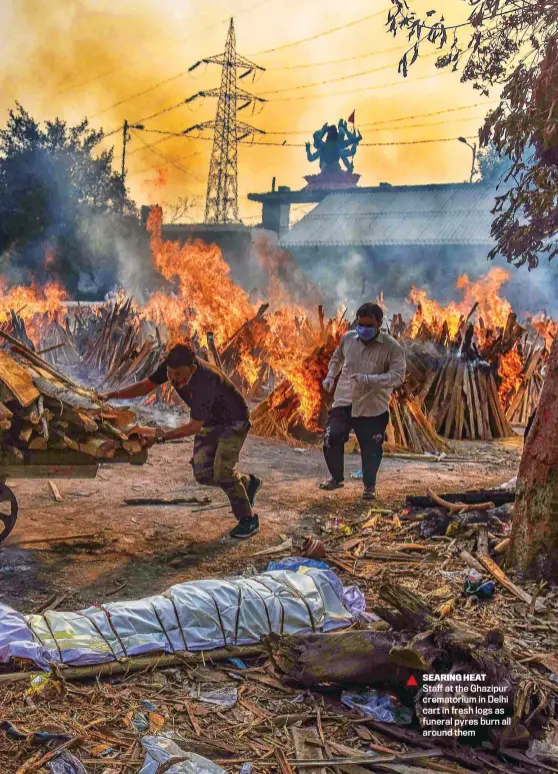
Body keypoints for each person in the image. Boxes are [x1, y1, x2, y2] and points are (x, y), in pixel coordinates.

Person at [101, 343, 262, 539]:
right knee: (202, 473)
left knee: (222, 472)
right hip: (210, 421)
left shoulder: (206, 382)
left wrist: (159, 437)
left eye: (179, 375)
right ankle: (246, 483)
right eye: (171, 374)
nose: (174, 379)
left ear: (193, 369)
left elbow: (193, 427)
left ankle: (248, 519)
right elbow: (146, 386)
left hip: (233, 421)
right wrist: (113, 395)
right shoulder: (170, 368)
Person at [320, 302, 406, 500]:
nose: (364, 329)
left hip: (372, 406)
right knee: (331, 437)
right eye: (361, 324)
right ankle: (336, 478)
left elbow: (398, 376)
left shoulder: (392, 348)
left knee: (371, 448)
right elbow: (337, 357)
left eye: (369, 325)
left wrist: (370, 380)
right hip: (345, 399)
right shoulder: (348, 339)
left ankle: (369, 486)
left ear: (379, 324)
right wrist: (331, 376)